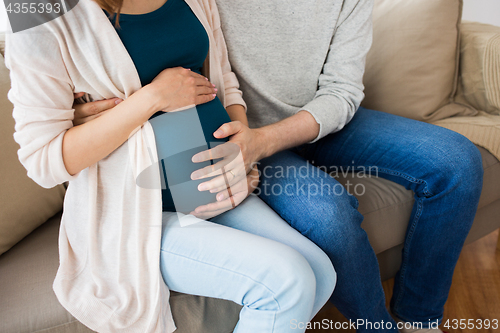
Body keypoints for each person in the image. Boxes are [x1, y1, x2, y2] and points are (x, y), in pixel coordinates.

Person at [60, 0, 484, 332]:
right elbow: (141, 51)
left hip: (315, 122)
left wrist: (265, 140)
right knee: (329, 216)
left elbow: (342, 91)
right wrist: (78, 105)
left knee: (457, 162)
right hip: (236, 129)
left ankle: (418, 319)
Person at [6, 0, 336, 332]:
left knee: (321, 272)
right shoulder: (36, 10)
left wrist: (241, 149)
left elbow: (223, 81)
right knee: (287, 280)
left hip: (209, 191)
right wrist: (152, 98)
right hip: (133, 214)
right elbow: (42, 161)